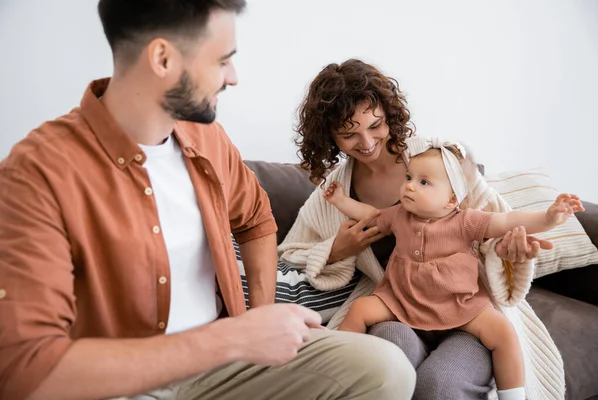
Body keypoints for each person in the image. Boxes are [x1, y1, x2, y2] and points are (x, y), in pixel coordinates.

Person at [0, 2, 417, 400]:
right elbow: (25, 369)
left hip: (225, 366)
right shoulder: (37, 172)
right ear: (163, 59)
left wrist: (260, 319)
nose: (232, 76)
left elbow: (255, 219)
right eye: (221, 60)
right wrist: (228, 339)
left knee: (385, 371)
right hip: (118, 384)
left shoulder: (206, 137)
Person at [278, 59, 565, 400]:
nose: (367, 142)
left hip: (463, 304)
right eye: (349, 134)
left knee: (436, 384)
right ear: (330, 136)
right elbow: (289, 256)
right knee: (384, 364)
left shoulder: (439, 159)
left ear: (389, 113)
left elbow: (496, 222)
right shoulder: (332, 193)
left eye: (376, 125)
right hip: (398, 306)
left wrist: (509, 250)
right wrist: (337, 249)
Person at [323, 136, 584, 400]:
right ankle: (337, 370)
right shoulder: (399, 215)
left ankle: (514, 396)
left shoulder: (467, 222)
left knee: (504, 333)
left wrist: (548, 218)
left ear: (451, 200)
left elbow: (509, 219)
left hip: (460, 304)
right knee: (360, 309)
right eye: (409, 178)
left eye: (423, 182)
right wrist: (341, 201)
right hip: (402, 300)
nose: (410, 187)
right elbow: (371, 216)